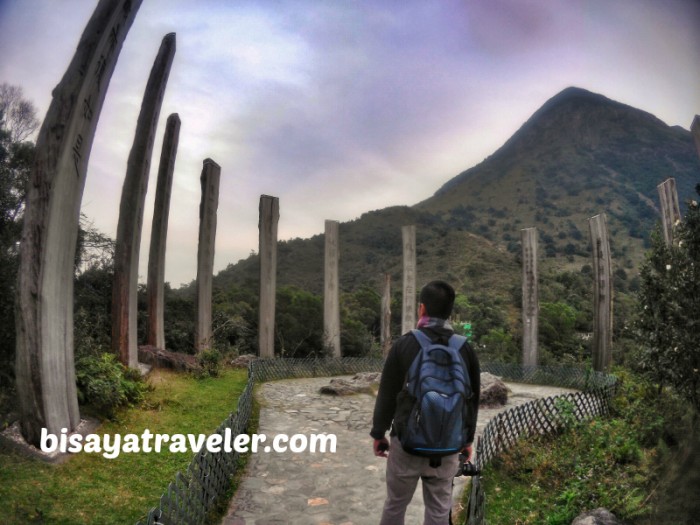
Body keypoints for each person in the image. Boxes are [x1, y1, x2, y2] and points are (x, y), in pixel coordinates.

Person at [370, 280, 480, 525]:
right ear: (450, 311)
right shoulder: (465, 349)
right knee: (439, 510)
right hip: (448, 447)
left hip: (406, 444)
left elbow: (387, 394)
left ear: (422, 309)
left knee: (395, 505)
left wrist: (379, 433)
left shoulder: (405, 344)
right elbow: (472, 401)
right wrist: (467, 440)